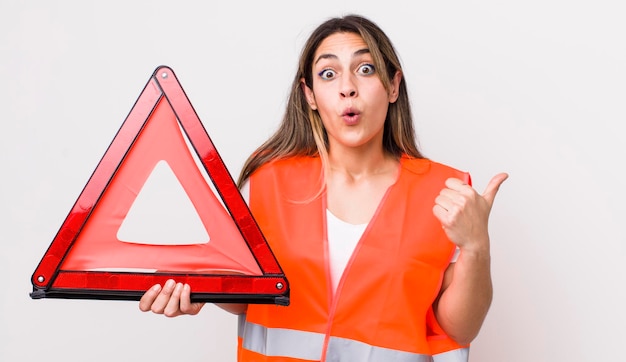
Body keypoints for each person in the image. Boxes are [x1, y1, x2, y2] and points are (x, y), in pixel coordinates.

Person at [139, 14, 508, 361]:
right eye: (328, 74)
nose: (348, 88)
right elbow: (249, 295)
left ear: (393, 85)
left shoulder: (444, 193)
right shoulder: (267, 181)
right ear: (310, 95)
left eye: (365, 69)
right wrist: (197, 287)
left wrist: (477, 247)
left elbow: (459, 326)